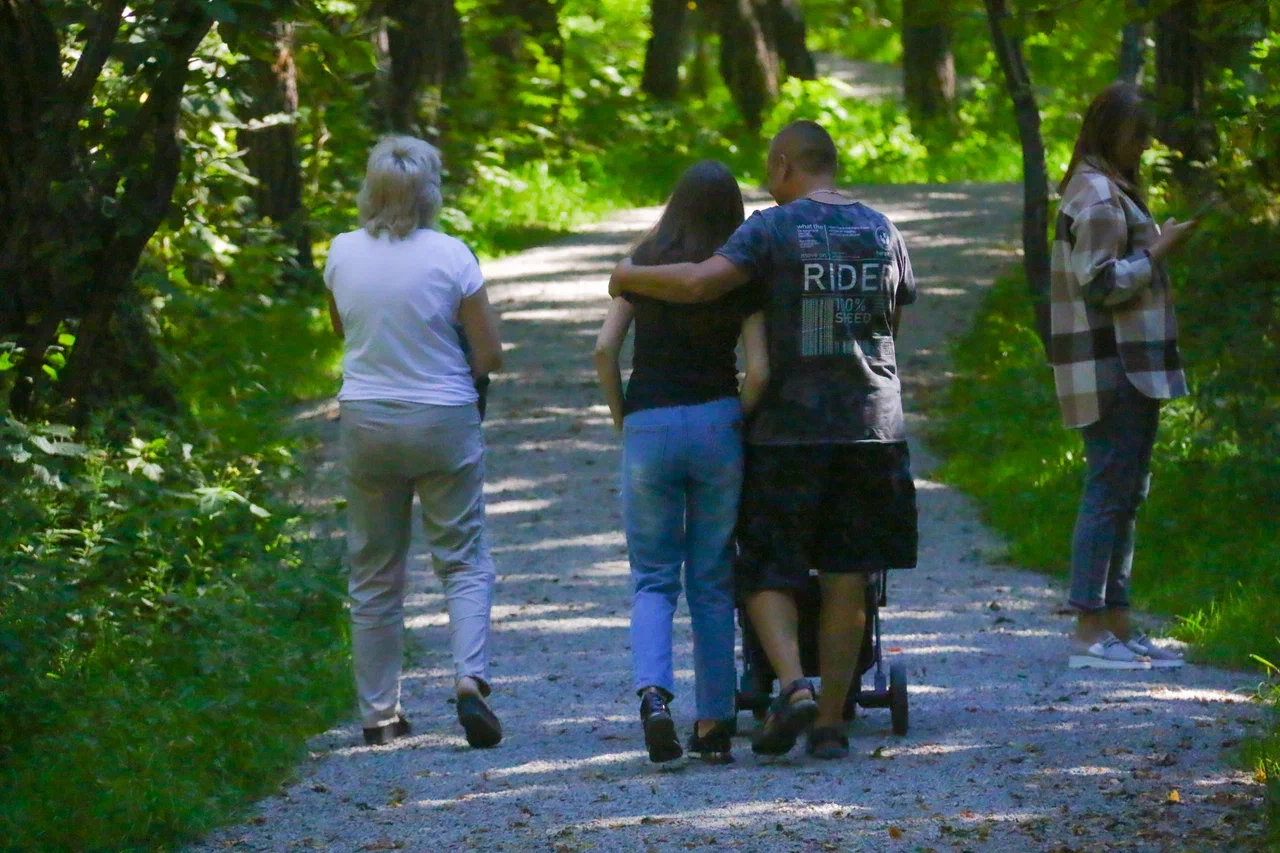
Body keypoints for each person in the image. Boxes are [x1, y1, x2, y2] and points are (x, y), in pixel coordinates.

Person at [609, 121, 918, 760]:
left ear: (782, 166)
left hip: (788, 431)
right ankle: (830, 723)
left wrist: (627, 274)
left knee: (765, 566)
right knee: (849, 573)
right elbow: (892, 322)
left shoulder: (770, 229)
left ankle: (794, 684)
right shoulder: (884, 230)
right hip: (872, 426)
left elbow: (697, 283)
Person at [325, 135, 506, 747]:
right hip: (443, 420)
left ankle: (379, 717)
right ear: (431, 193)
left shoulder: (341, 252)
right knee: (463, 558)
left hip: (366, 420)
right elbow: (489, 354)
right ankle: (469, 679)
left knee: (374, 571)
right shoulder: (453, 256)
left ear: (369, 191)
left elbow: (345, 329)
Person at [594, 161, 770, 764]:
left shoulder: (643, 264)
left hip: (650, 424)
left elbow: (604, 349)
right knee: (712, 579)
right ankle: (714, 724)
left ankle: (654, 697)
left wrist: (623, 417)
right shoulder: (737, 272)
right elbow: (759, 370)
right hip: (717, 422)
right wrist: (734, 419)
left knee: (653, 577)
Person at [1051, 83, 1196, 670]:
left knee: (1127, 493)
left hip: (1128, 364)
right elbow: (1102, 284)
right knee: (1109, 492)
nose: (1144, 147)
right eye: (1138, 136)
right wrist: (1159, 249)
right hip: (1113, 364)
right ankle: (1089, 630)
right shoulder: (1098, 194)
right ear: (1110, 131)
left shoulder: (1105, 187)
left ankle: (1117, 624)